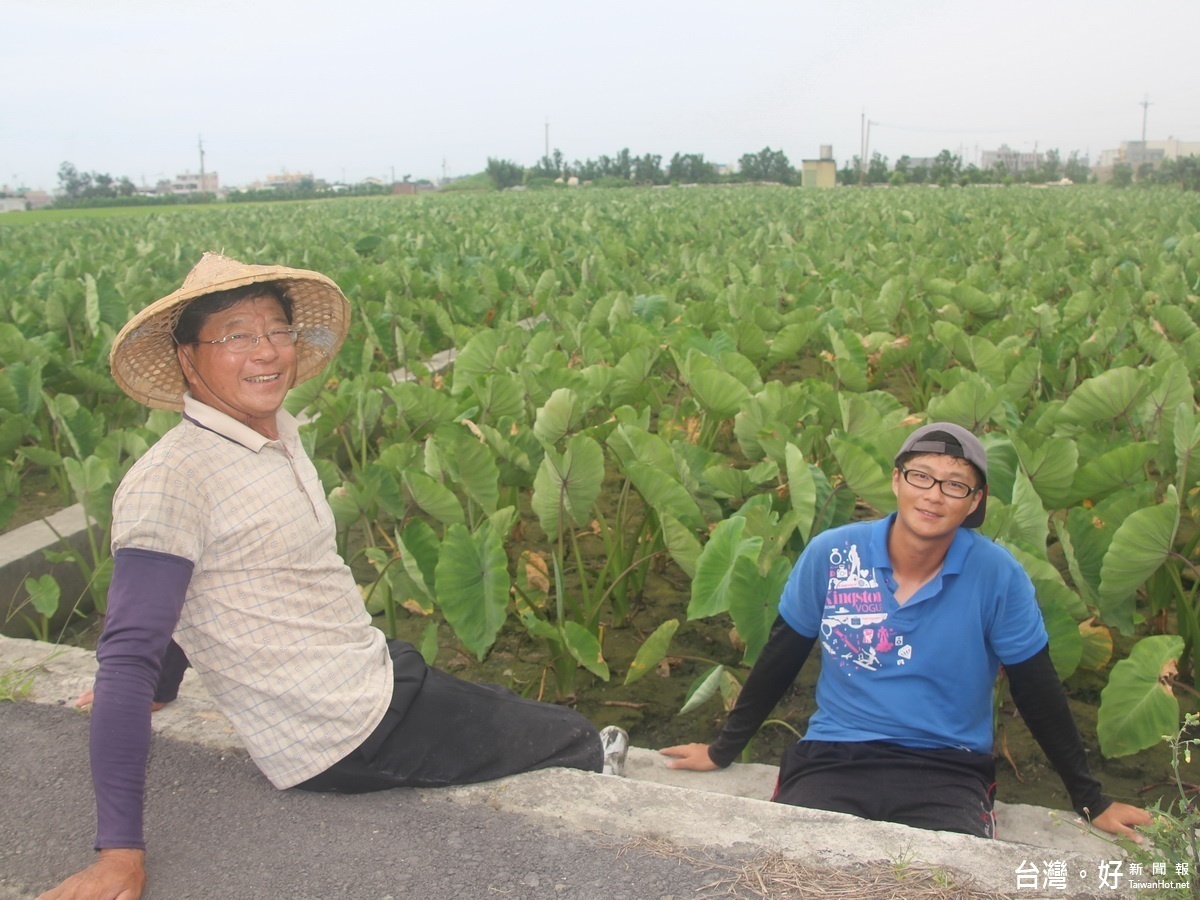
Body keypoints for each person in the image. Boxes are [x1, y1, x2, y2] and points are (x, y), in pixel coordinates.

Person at [41, 253, 629, 900]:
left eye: (276, 330)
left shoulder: (271, 432)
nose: (265, 351)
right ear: (187, 358)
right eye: (236, 334)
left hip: (368, 672)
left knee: (503, 711)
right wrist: (118, 856)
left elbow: (191, 598)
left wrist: (164, 687)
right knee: (568, 736)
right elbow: (126, 657)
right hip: (347, 731)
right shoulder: (173, 479)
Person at [661, 423, 1151, 841]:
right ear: (897, 481)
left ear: (975, 501)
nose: (934, 495)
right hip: (835, 754)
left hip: (947, 768)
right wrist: (723, 748)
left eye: (955, 485)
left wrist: (1090, 799)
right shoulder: (833, 556)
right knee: (799, 865)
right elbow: (782, 656)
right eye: (921, 476)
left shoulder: (999, 576)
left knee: (948, 880)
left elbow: (1037, 689)